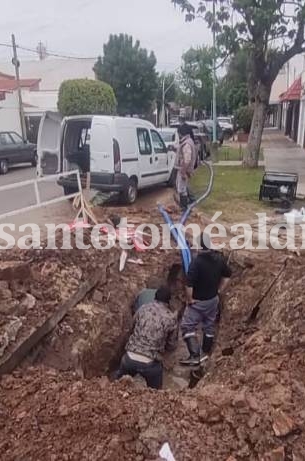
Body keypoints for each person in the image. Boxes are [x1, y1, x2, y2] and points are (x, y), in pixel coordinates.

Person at [180, 234, 232, 366]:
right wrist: (219, 290)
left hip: (198, 302)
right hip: (213, 300)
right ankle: (206, 352)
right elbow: (227, 276)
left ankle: (194, 356)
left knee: (187, 327)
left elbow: (189, 284)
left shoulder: (196, 262)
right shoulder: (219, 259)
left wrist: (190, 299)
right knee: (209, 326)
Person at [116, 286, 178, 389]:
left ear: (155, 297)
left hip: (129, 358)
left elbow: (132, 327)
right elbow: (172, 345)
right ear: (168, 302)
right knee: (155, 392)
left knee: (118, 386)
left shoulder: (143, 308)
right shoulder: (170, 318)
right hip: (150, 364)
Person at [176, 123, 197, 210]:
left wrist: (183, 172)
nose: (178, 135)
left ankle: (184, 207)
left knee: (181, 189)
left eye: (179, 134)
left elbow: (187, 160)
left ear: (181, 133)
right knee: (183, 186)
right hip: (184, 169)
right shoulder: (187, 141)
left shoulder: (186, 144)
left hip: (184, 169)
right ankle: (190, 200)